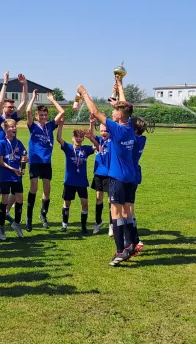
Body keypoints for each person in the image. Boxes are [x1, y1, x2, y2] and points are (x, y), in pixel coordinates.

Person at [77, 79, 136, 266]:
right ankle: (130, 244)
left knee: (116, 213)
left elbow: (94, 112)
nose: (112, 111)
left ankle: (120, 251)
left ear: (119, 115)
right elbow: (125, 107)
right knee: (127, 212)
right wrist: (119, 88)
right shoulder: (130, 127)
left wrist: (84, 93)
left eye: (114, 110)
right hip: (129, 177)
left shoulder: (117, 130)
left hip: (117, 177)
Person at [0, 72, 28, 227]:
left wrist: (24, 85)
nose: (11, 109)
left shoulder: (13, 121)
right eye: (9, 106)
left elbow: (24, 102)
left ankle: (5, 212)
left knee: (14, 187)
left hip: (12, 159)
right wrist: (5, 83)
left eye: (12, 106)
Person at [25, 90, 65, 231]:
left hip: (46, 162)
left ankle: (43, 214)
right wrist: (33, 97)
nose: (43, 117)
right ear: (37, 116)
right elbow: (28, 111)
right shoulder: (33, 126)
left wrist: (52, 100)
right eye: (40, 115)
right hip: (35, 161)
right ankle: (28, 217)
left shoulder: (49, 126)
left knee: (47, 190)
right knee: (34, 188)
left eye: (45, 115)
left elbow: (61, 112)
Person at [56, 119, 98, 233]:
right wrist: (61, 125)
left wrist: (91, 126)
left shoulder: (86, 149)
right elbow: (59, 139)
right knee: (67, 203)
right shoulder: (68, 148)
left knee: (85, 204)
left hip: (82, 182)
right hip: (69, 181)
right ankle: (64, 225)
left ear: (83, 139)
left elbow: (97, 146)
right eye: (76, 137)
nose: (78, 139)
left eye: (81, 137)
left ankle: (83, 226)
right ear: (73, 138)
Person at [0, 119, 27, 240]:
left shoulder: (18, 143)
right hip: (5, 175)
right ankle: (2, 226)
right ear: (5, 129)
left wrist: (24, 162)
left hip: (16, 176)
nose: (14, 128)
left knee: (20, 199)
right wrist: (13, 169)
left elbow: (24, 156)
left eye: (14, 126)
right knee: (4, 200)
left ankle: (16, 224)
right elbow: (0, 161)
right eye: (11, 127)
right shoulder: (1, 143)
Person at [89, 115, 112, 235]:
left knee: (110, 200)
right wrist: (92, 123)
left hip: (109, 174)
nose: (104, 133)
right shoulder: (98, 140)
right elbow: (91, 136)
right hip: (98, 173)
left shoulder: (112, 141)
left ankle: (112, 224)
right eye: (102, 130)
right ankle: (98, 222)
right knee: (98, 198)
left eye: (106, 131)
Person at [129, 116, 148, 252]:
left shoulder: (134, 140)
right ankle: (132, 238)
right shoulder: (142, 139)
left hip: (130, 176)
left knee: (128, 209)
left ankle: (135, 239)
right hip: (135, 175)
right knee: (129, 207)